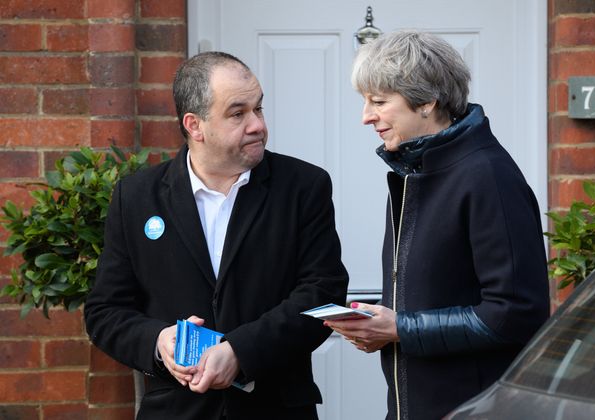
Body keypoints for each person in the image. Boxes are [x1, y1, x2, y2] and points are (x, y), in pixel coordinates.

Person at [84, 51, 348, 420]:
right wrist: (159, 343)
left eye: (258, 108)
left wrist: (241, 351)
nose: (257, 124)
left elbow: (323, 294)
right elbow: (105, 311)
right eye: (238, 113)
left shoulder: (304, 186)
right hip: (175, 410)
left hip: (275, 408)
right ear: (195, 125)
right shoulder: (137, 196)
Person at [325, 30, 550, 420]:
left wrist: (400, 328)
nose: (366, 117)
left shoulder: (488, 177)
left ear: (427, 100)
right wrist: (377, 324)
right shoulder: (415, 170)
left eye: (378, 102)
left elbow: (516, 313)